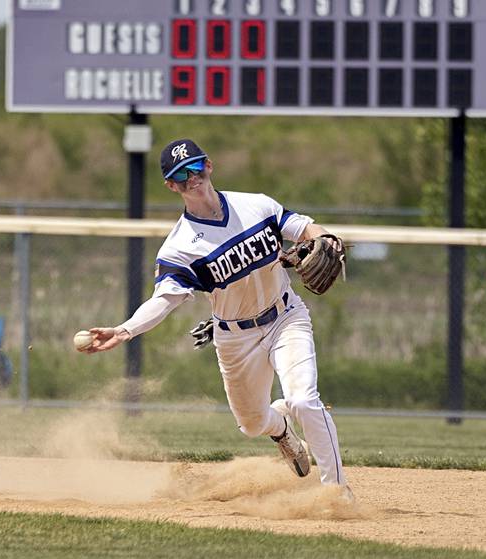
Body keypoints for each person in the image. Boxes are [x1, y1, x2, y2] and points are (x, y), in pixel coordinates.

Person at [81, 139, 349, 493]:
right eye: (180, 176)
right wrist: (125, 330)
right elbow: (164, 299)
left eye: (194, 168)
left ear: (209, 165)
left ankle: (336, 493)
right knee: (252, 424)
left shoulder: (255, 205)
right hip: (235, 338)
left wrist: (326, 238)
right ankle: (281, 429)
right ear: (171, 186)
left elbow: (304, 228)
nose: (191, 179)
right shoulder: (179, 247)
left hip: (286, 318)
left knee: (303, 399)